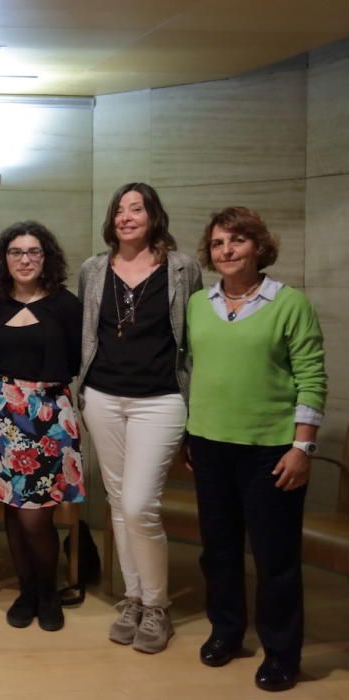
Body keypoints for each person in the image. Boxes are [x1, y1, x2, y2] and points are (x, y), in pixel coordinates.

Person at [186, 207, 326, 692]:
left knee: (275, 557)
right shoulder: (197, 304)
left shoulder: (290, 303)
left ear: (259, 247)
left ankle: (282, 653)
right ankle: (227, 632)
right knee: (218, 551)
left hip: (270, 450)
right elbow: (195, 373)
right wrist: (191, 433)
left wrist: (302, 447)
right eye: (219, 243)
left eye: (238, 241)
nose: (227, 250)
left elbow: (312, 378)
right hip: (208, 444)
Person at [77, 182, 202, 653]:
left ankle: (158, 606)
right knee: (117, 503)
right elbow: (91, 335)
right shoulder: (93, 269)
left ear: (154, 215)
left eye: (137, 208)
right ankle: (133, 597)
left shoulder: (182, 267)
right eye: (120, 210)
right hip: (103, 396)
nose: (127, 217)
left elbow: (193, 337)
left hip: (161, 398)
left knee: (138, 506)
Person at [0, 221, 85, 631]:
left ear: (46, 258)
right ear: (4, 259)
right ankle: (26, 591)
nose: (25, 259)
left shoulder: (66, 306)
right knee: (12, 509)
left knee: (36, 516)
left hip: (49, 419)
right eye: (16, 252)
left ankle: (48, 592)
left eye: (33, 252)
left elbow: (76, 362)